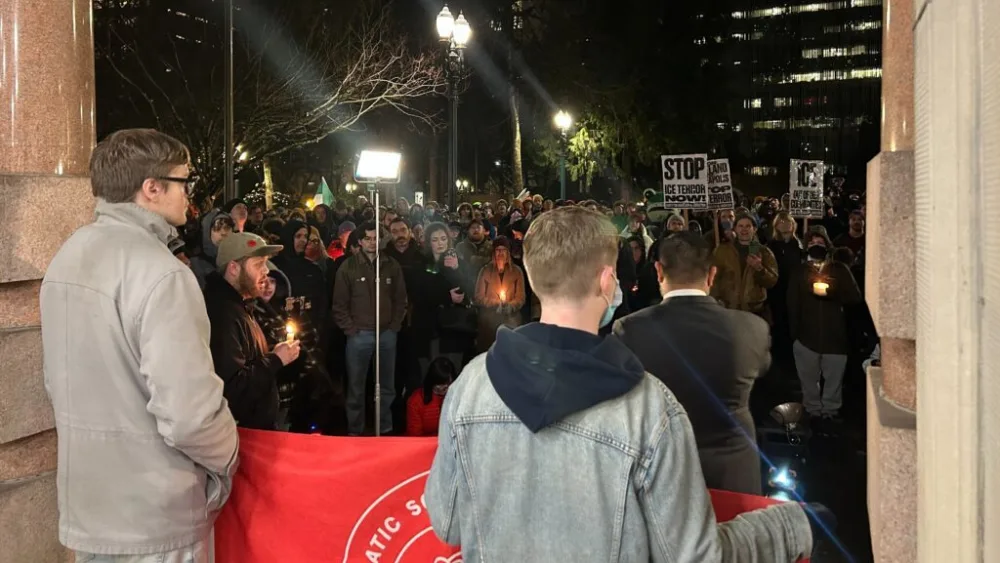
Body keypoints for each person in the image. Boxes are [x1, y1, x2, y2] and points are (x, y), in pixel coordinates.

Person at [425, 207, 814, 561]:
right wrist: (791, 525)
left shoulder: (469, 386)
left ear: (530, 273)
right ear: (608, 280)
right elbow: (694, 556)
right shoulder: (649, 407)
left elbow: (447, 521)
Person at [41, 129, 238, 561]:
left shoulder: (66, 258)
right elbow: (190, 414)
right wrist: (230, 456)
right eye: (185, 181)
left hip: (90, 508)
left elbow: (57, 383)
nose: (190, 194)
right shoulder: (162, 273)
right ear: (152, 188)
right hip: (156, 517)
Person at [614, 231, 768, 494]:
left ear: (659, 271)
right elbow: (761, 367)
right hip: (733, 475)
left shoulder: (630, 329)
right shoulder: (752, 328)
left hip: (661, 474)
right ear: (711, 275)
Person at [205, 232, 301, 430]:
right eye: (258, 264)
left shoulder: (240, 305)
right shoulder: (222, 314)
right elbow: (233, 388)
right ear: (233, 268)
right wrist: (275, 359)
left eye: (265, 263)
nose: (266, 271)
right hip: (244, 435)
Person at [332, 222, 408, 435]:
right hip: (359, 335)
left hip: (386, 334)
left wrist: (394, 326)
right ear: (360, 241)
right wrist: (350, 329)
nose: (373, 243)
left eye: (376, 238)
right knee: (356, 386)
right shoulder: (348, 267)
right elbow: (339, 303)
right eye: (368, 238)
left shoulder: (391, 265)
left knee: (386, 386)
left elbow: (401, 299)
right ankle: (355, 430)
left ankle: (384, 428)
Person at [473, 237, 526, 353]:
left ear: (508, 252)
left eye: (504, 250)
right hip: (489, 322)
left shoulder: (516, 271)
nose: (500, 253)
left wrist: (510, 306)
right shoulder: (485, 270)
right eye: (498, 250)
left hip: (510, 321)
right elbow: (478, 296)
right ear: (493, 253)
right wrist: (495, 304)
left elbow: (520, 297)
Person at [406, 357, 458, 437]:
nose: (444, 387)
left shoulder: (458, 397)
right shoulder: (416, 400)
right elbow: (415, 436)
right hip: (425, 445)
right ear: (432, 380)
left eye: (448, 383)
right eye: (440, 383)